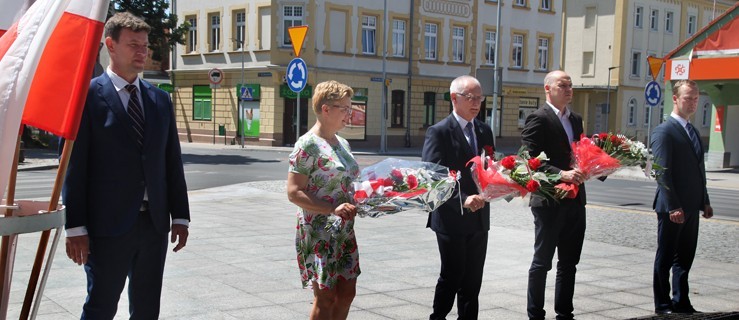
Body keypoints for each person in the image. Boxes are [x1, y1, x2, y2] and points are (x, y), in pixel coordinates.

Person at [62, 12, 190, 319]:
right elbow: (73, 168)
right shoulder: (86, 98)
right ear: (111, 45)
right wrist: (75, 227)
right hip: (107, 228)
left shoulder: (159, 100)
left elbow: (171, 161)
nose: (142, 52)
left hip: (153, 226)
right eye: (134, 44)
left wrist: (181, 216)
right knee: (101, 307)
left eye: (145, 46)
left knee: (147, 309)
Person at [421, 75, 494, 319]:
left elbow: (489, 168)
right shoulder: (439, 132)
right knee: (452, 276)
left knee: (473, 282)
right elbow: (433, 176)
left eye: (479, 98)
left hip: (480, 216)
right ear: (454, 98)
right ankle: (438, 316)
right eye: (470, 97)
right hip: (451, 216)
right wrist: (462, 199)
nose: (476, 103)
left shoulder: (484, 130)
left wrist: (503, 184)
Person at [286, 80, 360, 319]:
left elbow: (350, 182)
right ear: (326, 109)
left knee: (347, 293)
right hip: (319, 231)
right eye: (345, 108)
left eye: (350, 108)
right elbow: (294, 191)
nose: (349, 114)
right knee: (325, 298)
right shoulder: (307, 144)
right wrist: (331, 208)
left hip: (344, 230)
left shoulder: (342, 143)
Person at [521, 70, 587, 320]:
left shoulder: (576, 119)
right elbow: (529, 160)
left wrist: (592, 166)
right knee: (542, 262)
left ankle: (564, 312)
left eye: (571, 85)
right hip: (549, 201)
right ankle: (535, 313)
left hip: (576, 199)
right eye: (563, 85)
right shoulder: (538, 118)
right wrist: (562, 174)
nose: (569, 89)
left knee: (569, 262)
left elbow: (579, 153)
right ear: (548, 88)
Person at [650, 79, 713, 315]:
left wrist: (704, 201)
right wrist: (673, 205)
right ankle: (663, 304)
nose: (693, 103)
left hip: (692, 207)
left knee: (685, 259)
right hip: (672, 208)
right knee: (665, 258)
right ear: (675, 99)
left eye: (696, 98)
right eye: (688, 98)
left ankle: (682, 302)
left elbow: (699, 170)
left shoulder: (693, 131)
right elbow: (660, 171)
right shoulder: (664, 131)